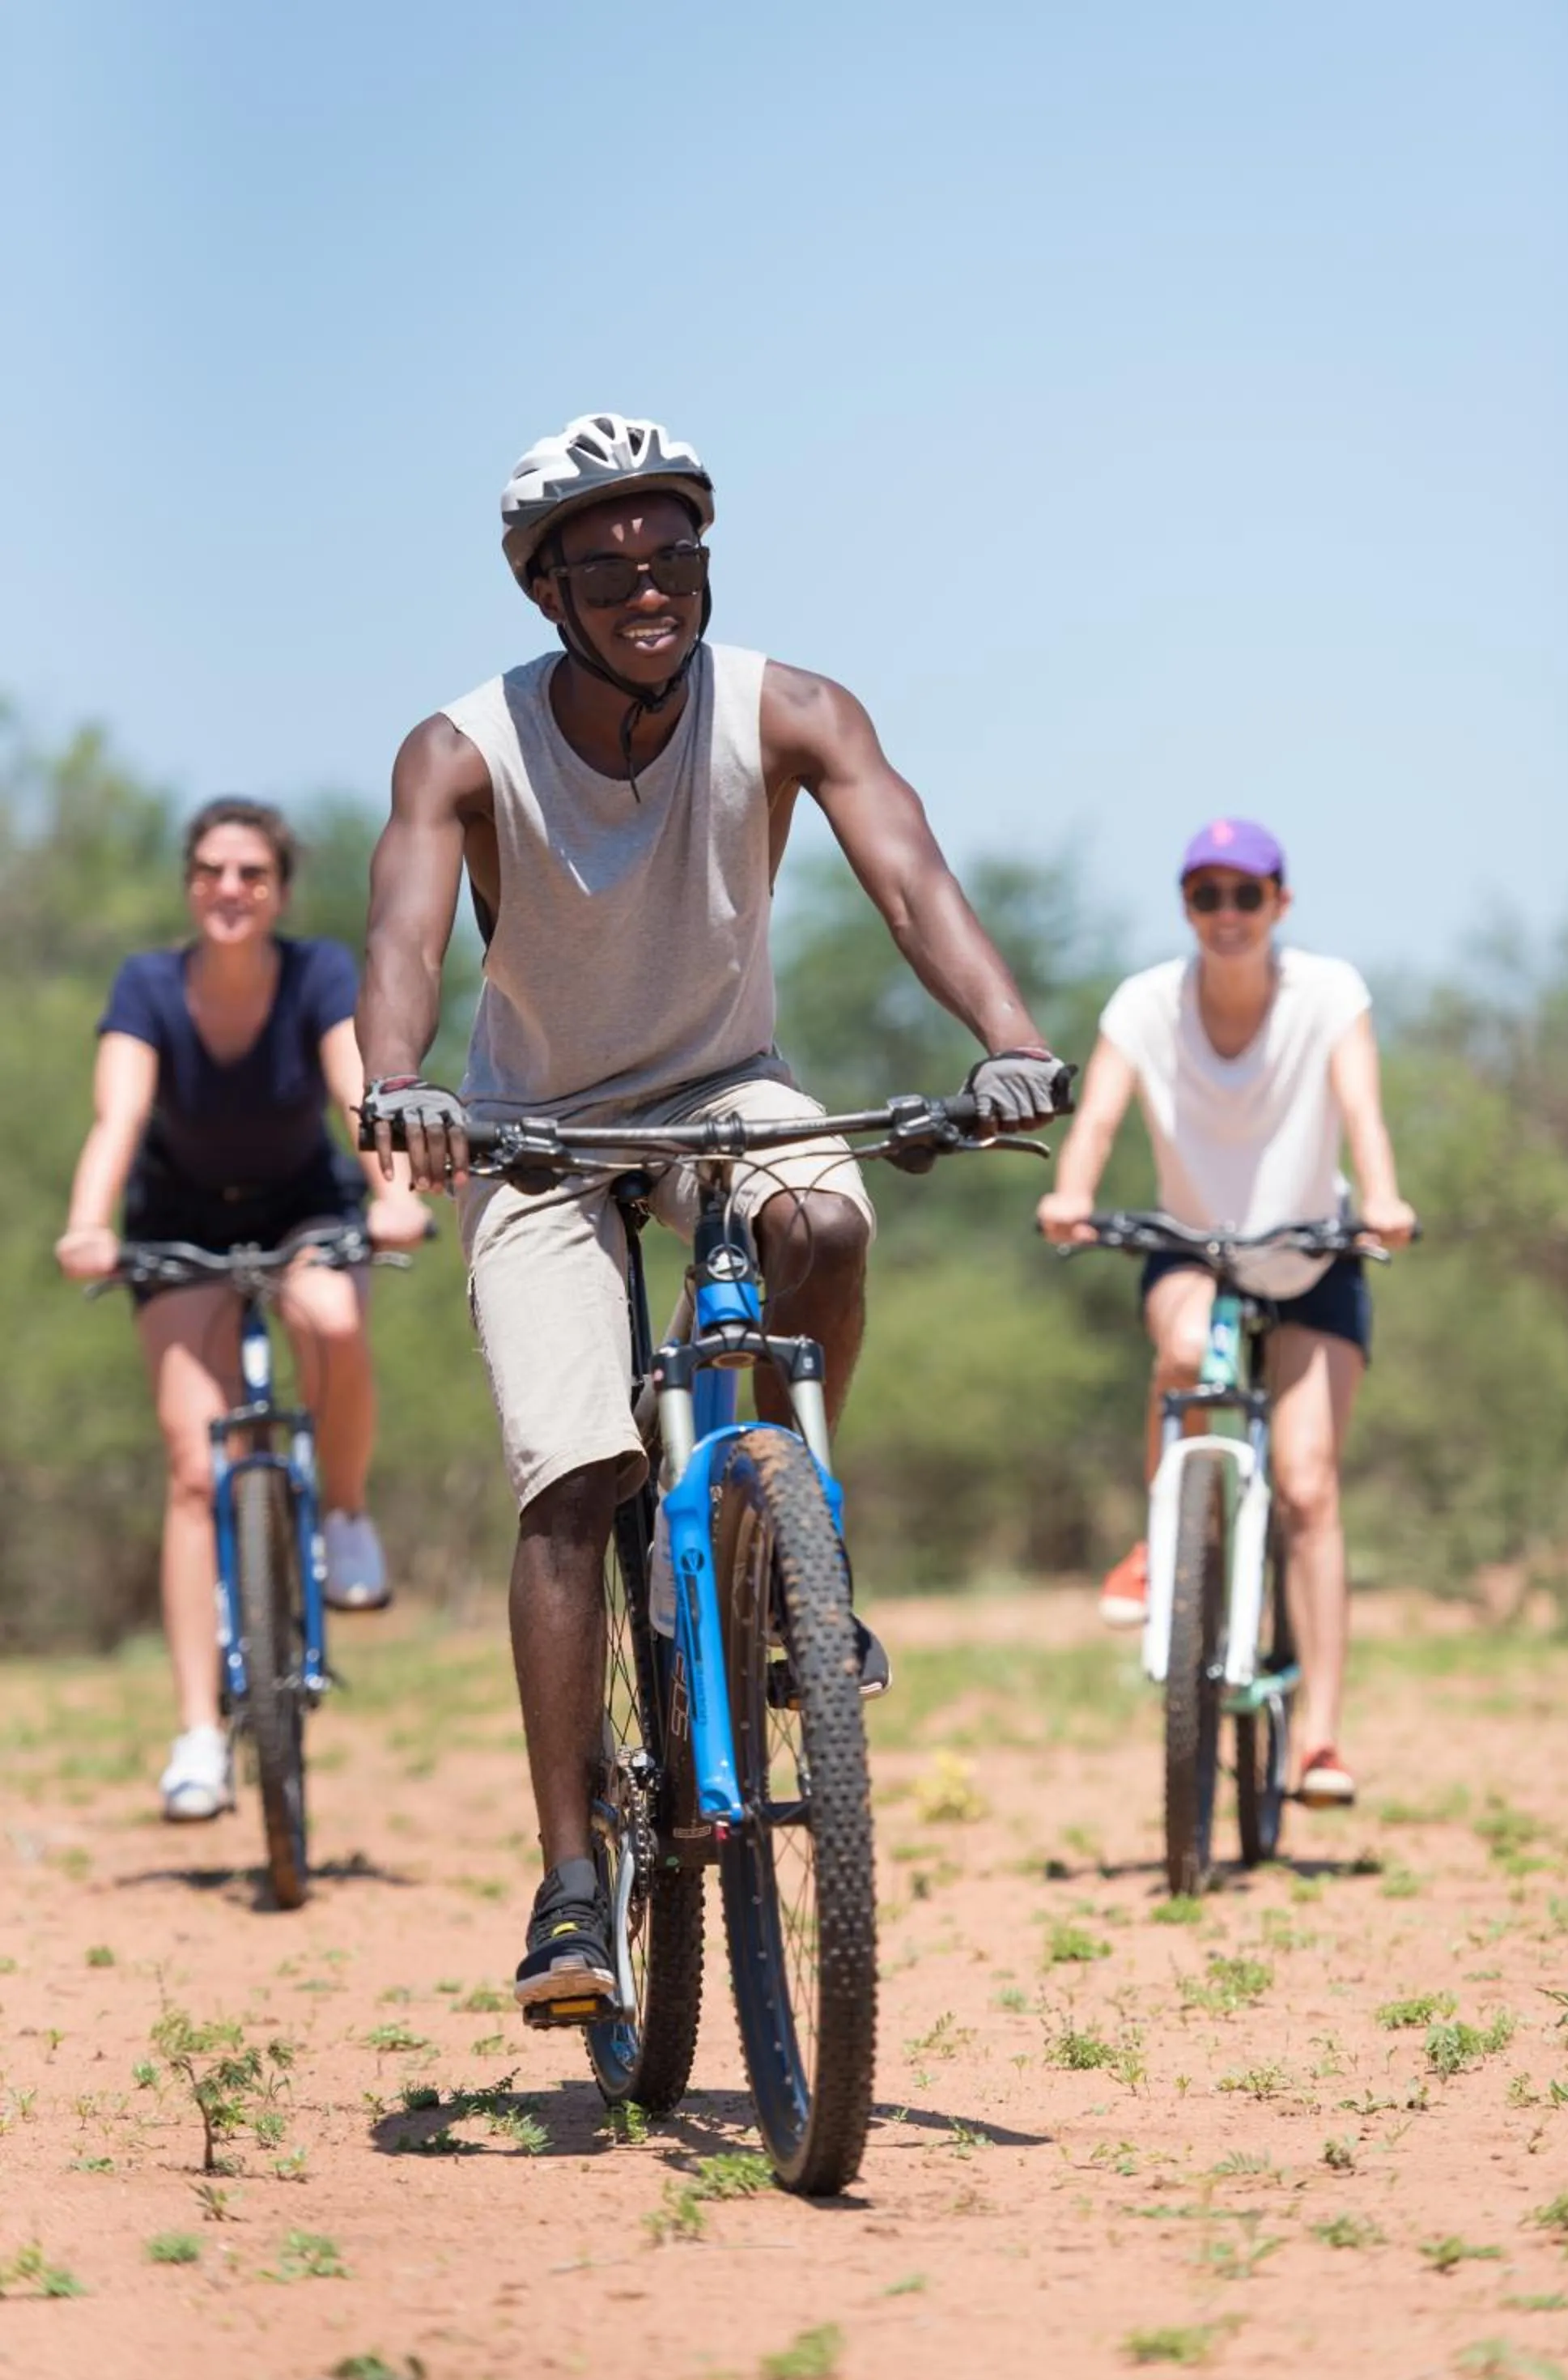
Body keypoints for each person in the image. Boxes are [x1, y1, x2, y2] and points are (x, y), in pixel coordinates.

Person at [356, 411, 1073, 2016]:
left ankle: (778, 1547)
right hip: (533, 1123)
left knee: (824, 1229)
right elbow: (400, 933)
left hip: (725, 1084)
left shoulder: (788, 711)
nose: (645, 585)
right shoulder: (461, 750)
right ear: (544, 593)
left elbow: (909, 877)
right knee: (575, 1472)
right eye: (603, 564)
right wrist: (397, 1077)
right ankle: (566, 1882)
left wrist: (1008, 1039)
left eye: (670, 551)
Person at [55, 798, 430, 1821]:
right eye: (212, 872)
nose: (230, 890)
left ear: (279, 890)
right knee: (190, 1469)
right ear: (190, 884)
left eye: (252, 874)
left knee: (336, 1322)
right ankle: (194, 1737)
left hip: (303, 1207)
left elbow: (360, 1101)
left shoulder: (314, 977)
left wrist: (394, 1195)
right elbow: (118, 1116)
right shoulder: (148, 987)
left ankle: (343, 1515)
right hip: (176, 1222)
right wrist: (89, 1225)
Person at [1036, 817, 1415, 1808]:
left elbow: (1363, 1116)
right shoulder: (1145, 1004)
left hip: (1312, 1252)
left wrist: (1381, 1199)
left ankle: (1320, 1740)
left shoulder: (1330, 994)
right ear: (1187, 909)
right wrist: (1070, 1196)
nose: (1228, 913)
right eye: (1207, 895)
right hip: (1191, 1242)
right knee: (1178, 1349)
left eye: (1246, 894)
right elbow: (1101, 1118)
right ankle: (1165, 1546)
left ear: (1279, 904)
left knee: (1305, 1483)